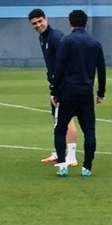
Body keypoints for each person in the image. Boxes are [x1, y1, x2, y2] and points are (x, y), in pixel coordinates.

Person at [49, 9, 105, 178]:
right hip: (86, 92)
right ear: (86, 23)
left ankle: (62, 165)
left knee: (60, 128)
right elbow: (101, 70)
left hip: (68, 91)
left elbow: (59, 67)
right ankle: (87, 167)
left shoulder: (66, 41)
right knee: (89, 130)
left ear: (70, 23)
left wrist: (54, 90)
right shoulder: (95, 43)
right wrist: (101, 92)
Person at [29, 9, 78, 167]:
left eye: (40, 21)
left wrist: (58, 88)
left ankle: (71, 157)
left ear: (46, 19)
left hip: (64, 85)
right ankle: (60, 152)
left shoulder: (56, 37)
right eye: (34, 23)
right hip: (56, 84)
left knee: (66, 120)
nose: (38, 25)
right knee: (57, 120)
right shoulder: (43, 38)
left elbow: (67, 62)